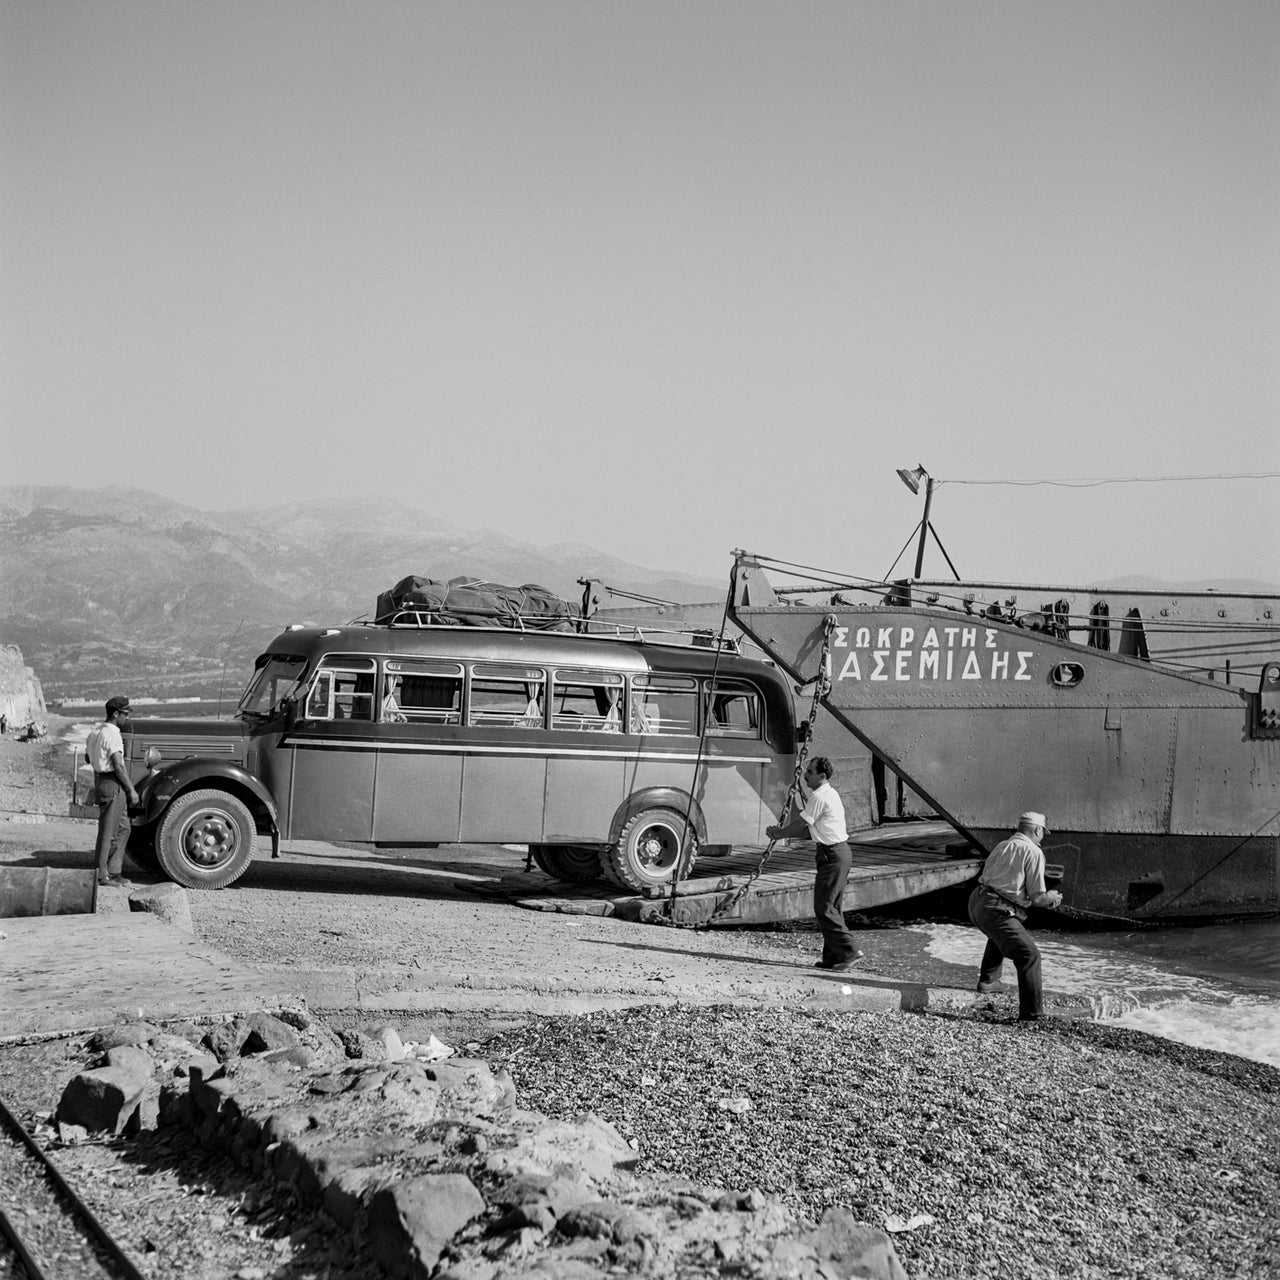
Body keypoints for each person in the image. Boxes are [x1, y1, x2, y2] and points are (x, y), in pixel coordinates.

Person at [766, 757, 865, 972]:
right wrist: (781, 834)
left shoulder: (819, 797)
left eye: (809, 772)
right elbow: (807, 830)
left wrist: (779, 834)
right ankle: (832, 958)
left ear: (822, 776)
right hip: (838, 853)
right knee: (832, 907)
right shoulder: (830, 793)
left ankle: (850, 951)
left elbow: (802, 824)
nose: (805, 775)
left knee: (824, 907)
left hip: (833, 855)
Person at [969, 811, 1063, 1021]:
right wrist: (1052, 897)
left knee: (1000, 933)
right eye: (1042, 832)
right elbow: (1037, 898)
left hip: (976, 902)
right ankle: (1032, 1014)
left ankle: (989, 981)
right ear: (1038, 830)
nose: (1042, 836)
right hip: (995, 907)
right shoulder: (1033, 851)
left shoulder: (1003, 845)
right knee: (1029, 955)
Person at [84, 695, 140, 888]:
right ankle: (101, 875)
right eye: (125, 714)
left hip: (100, 780)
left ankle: (114, 871)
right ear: (116, 714)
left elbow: (87, 757)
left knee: (124, 827)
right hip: (112, 783)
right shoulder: (113, 734)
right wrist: (131, 790)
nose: (127, 718)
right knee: (108, 831)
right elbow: (118, 764)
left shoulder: (95, 732)